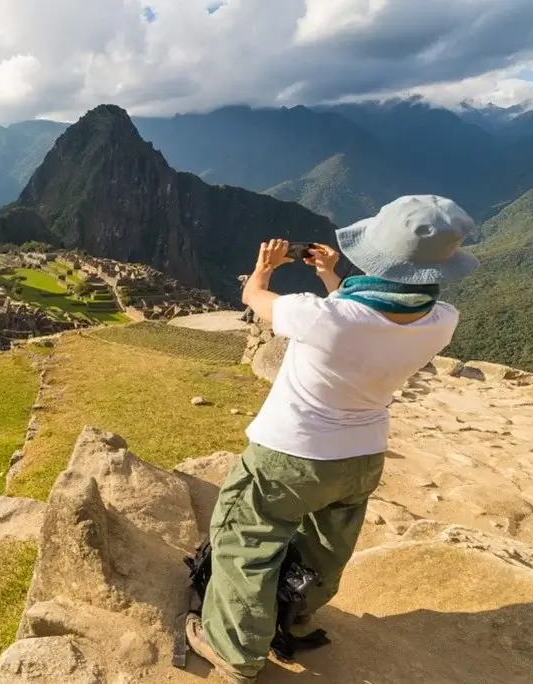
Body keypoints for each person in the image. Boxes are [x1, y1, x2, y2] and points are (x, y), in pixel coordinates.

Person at [186, 195, 480, 682]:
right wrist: (330, 276)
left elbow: (255, 301)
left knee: (247, 541)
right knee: (325, 548)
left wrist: (264, 269)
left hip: (290, 455)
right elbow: (373, 317)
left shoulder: (321, 317)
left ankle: (234, 650)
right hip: (362, 456)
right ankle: (296, 617)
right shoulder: (441, 319)